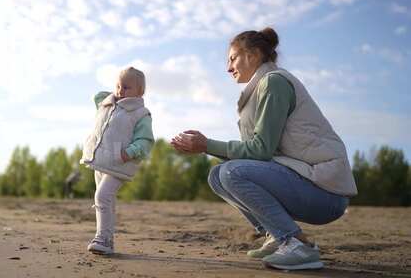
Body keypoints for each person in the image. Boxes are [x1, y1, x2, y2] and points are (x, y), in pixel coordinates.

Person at [171, 27, 357, 271]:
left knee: (231, 173)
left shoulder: (274, 83)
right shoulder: (259, 89)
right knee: (218, 175)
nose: (228, 67)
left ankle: (296, 244)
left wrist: (206, 144)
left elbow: (260, 151)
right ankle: (275, 234)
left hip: (326, 193)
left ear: (253, 55)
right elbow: (256, 155)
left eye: (232, 58)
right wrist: (205, 148)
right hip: (304, 183)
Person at [80, 66, 154, 255]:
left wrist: (128, 153)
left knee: (102, 196)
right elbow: (98, 96)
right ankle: (107, 240)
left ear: (140, 92)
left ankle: (102, 238)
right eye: (118, 86)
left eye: (127, 87)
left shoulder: (140, 114)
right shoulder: (108, 105)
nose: (121, 91)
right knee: (106, 201)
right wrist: (116, 92)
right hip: (101, 160)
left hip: (120, 162)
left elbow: (145, 141)